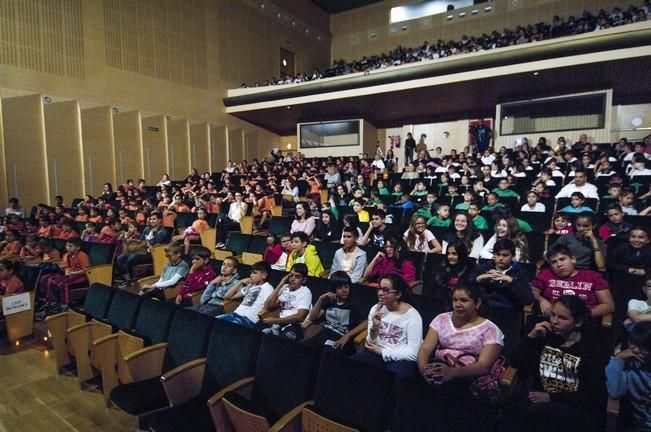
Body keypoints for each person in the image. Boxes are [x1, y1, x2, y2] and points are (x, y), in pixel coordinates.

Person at [501, 296, 607, 432]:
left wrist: (551, 397)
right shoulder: (544, 337)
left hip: (572, 406)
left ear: (578, 322)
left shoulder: (591, 350)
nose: (554, 321)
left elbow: (593, 394)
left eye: (562, 318)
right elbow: (515, 362)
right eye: (552, 315)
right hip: (538, 399)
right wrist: (530, 337)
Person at [418, 284, 503, 387]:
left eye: (464, 300)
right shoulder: (442, 319)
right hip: (438, 365)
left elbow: (483, 366)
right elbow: (425, 348)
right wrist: (424, 370)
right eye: (455, 300)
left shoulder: (490, 330)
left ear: (477, 303)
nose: (458, 304)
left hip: (468, 375)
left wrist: (452, 373)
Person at [471, 239, 533, 357]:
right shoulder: (484, 268)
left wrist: (510, 281)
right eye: (497, 255)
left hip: (509, 314)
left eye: (505, 255)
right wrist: (479, 278)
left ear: (513, 256)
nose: (500, 258)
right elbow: (467, 286)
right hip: (485, 312)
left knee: (505, 352)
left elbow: (527, 299)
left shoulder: (519, 272)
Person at [351, 274, 422, 377]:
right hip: (377, 353)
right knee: (352, 366)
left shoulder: (413, 316)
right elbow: (371, 342)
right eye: (379, 289)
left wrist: (383, 353)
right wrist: (375, 327)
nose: (380, 293)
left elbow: (413, 354)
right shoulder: (376, 309)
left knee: (391, 378)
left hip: (400, 358)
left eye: (386, 290)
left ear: (398, 295)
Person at [532, 244, 614, 319]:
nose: (559, 265)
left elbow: (608, 305)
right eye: (554, 262)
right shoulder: (546, 274)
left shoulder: (592, 277)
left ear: (573, 259)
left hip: (583, 323)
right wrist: (541, 300)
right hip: (553, 320)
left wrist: (581, 316)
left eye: (562, 259)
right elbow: (532, 290)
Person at [302, 271, 367, 353]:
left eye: (346, 287)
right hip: (323, 336)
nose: (344, 290)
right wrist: (321, 299)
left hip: (340, 339)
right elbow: (313, 318)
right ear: (334, 289)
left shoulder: (352, 305)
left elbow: (366, 322)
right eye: (340, 288)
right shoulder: (330, 302)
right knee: (303, 347)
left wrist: (348, 335)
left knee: (327, 353)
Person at [606, 321, 651, 432]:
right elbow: (615, 392)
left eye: (643, 347)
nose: (635, 350)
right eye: (633, 343)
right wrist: (618, 359)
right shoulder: (630, 364)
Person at [608, 227, 651, 328]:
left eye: (641, 237)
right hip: (622, 283)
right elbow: (610, 263)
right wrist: (627, 269)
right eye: (633, 236)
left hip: (642, 285)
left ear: (648, 240)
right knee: (620, 311)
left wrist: (645, 271)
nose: (636, 240)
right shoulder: (622, 248)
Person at [115, 211, 169, 285]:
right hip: (140, 249)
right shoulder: (147, 228)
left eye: (154, 219)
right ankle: (128, 279)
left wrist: (149, 237)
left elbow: (154, 244)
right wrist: (133, 241)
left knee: (131, 258)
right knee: (120, 258)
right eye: (151, 219)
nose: (151, 221)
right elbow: (140, 240)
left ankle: (131, 279)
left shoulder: (162, 231)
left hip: (151, 253)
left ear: (159, 220)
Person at [37, 237, 90, 312]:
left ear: (78, 247)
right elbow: (66, 266)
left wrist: (73, 273)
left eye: (71, 246)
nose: (68, 248)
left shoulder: (82, 255)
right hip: (70, 274)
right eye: (67, 245)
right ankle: (53, 301)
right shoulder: (67, 255)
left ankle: (65, 304)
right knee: (52, 281)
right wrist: (66, 270)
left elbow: (86, 270)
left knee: (62, 284)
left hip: (81, 276)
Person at [262, 263, 312, 340]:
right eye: (291, 275)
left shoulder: (305, 291)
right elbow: (268, 305)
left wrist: (276, 321)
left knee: (286, 338)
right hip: (279, 322)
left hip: (294, 325)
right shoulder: (285, 288)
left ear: (304, 280)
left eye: (297, 277)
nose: (292, 279)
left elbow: (300, 317)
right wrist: (281, 283)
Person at [217, 261, 274, 328]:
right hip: (235, 314)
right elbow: (227, 296)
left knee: (223, 327)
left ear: (264, 275)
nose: (251, 275)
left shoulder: (268, 288)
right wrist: (240, 282)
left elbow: (269, 306)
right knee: (212, 322)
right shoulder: (250, 286)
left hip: (248, 319)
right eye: (251, 273)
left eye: (254, 273)